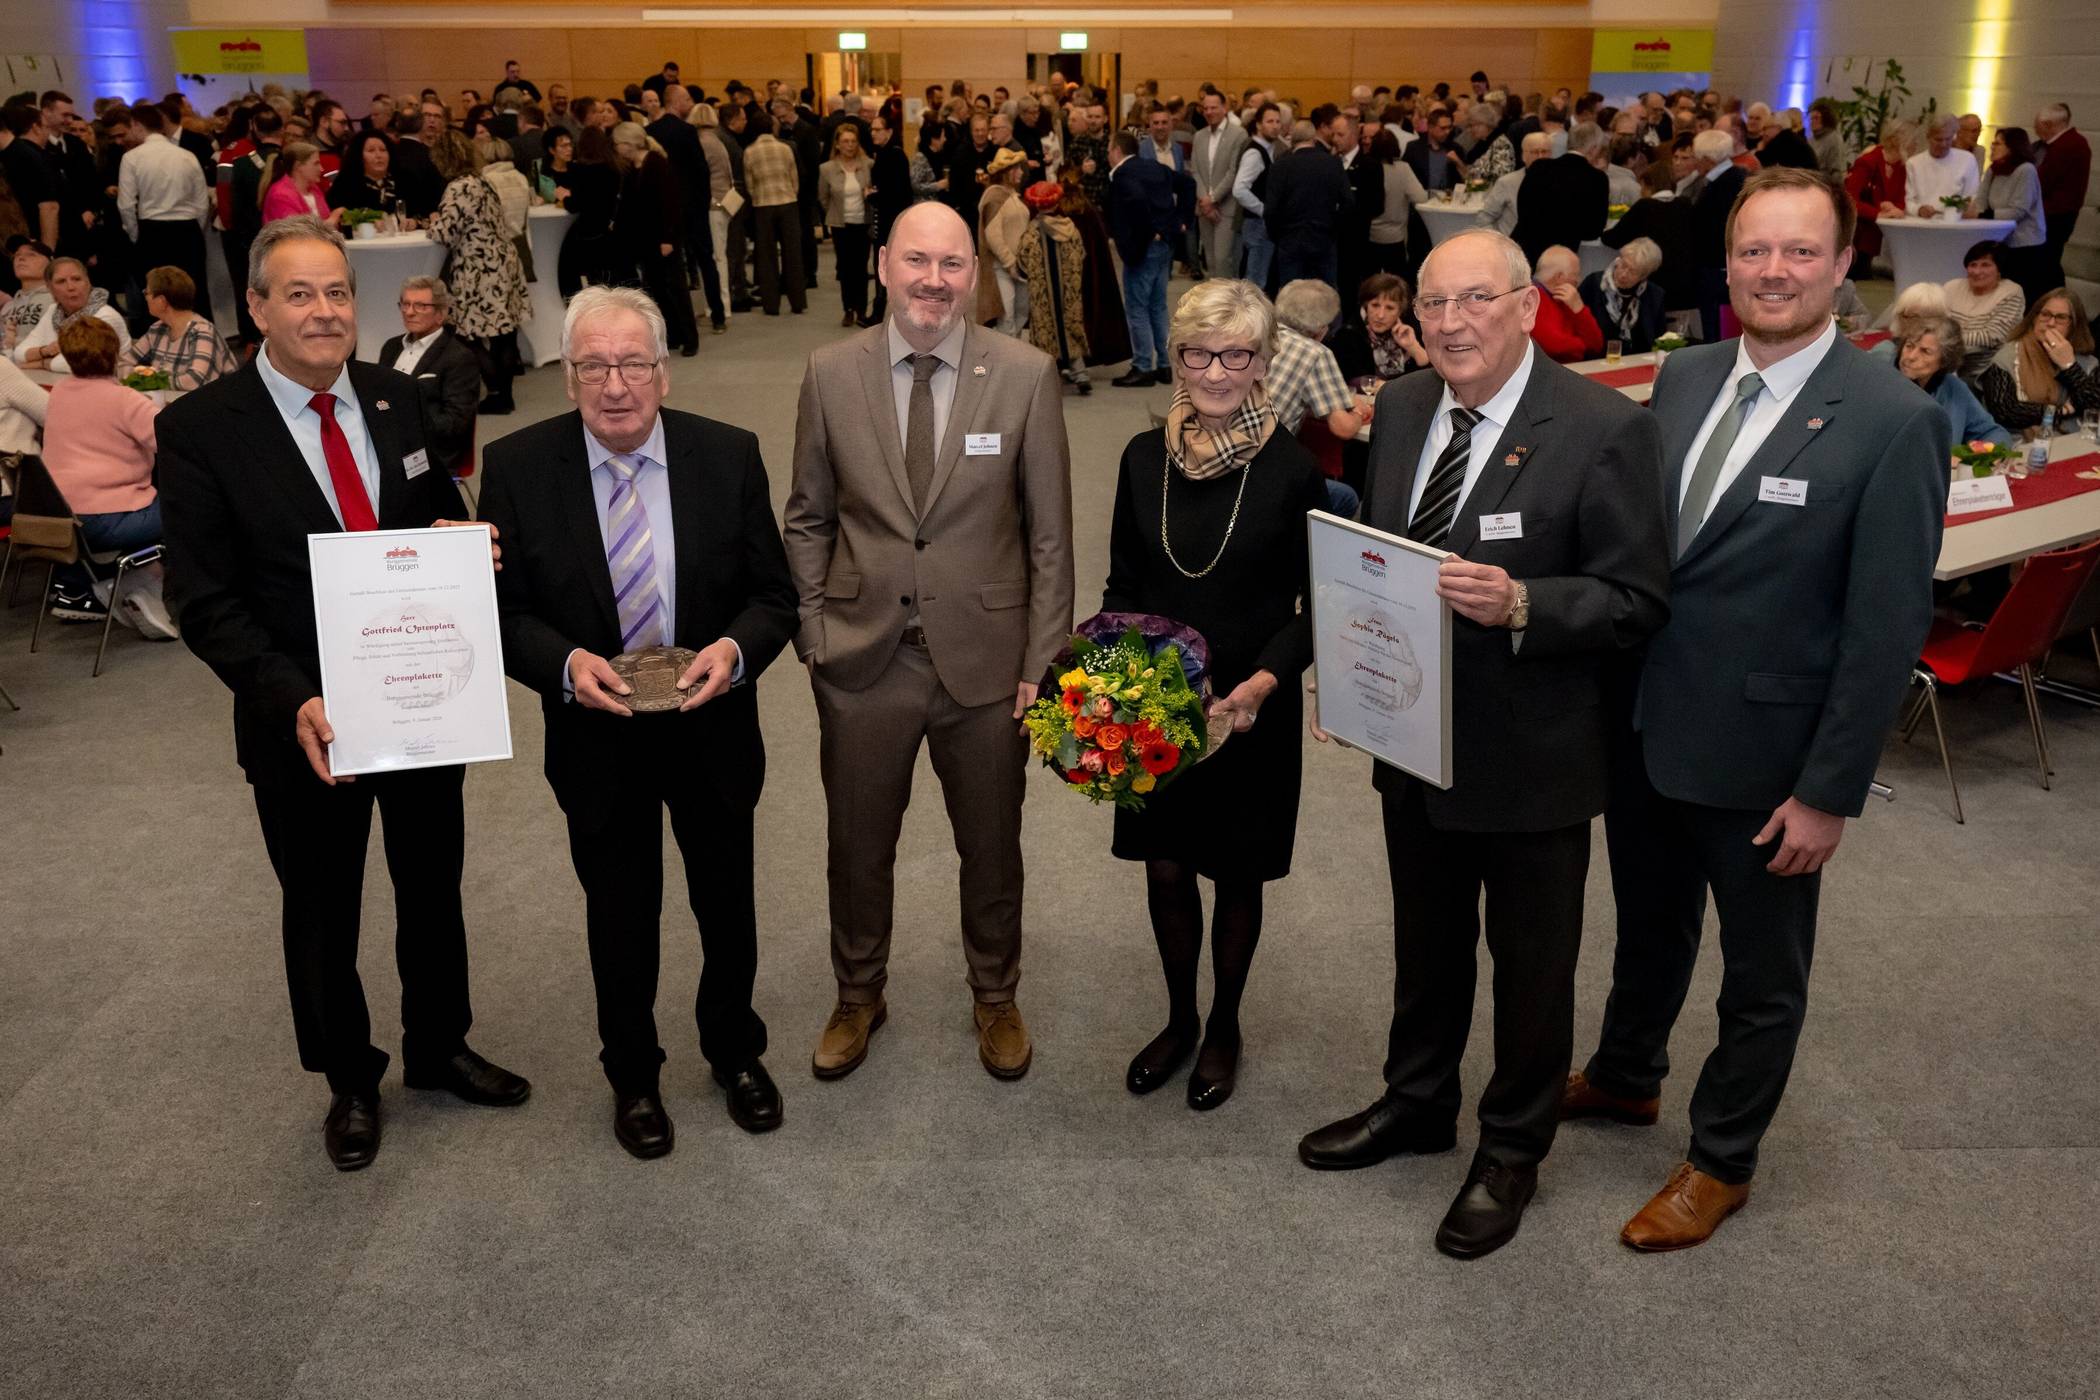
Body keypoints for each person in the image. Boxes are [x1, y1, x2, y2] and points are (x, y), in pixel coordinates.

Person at [1566, 168, 1948, 1252]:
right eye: (1753, 251)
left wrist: (1828, 791)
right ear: (1725, 263)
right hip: (1646, 727)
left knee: (1761, 974)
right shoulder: (1683, 375)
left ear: (1841, 264)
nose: (1773, 271)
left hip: (1770, 758)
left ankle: (1722, 1157)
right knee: (1648, 924)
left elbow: (1884, 630)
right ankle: (1629, 1072)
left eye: (1798, 252)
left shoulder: (1891, 419)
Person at [1297, 227, 1671, 1261]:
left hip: (1535, 753)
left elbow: (1638, 598)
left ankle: (1511, 1146)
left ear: (1525, 307)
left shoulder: (1601, 427)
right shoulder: (1409, 404)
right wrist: (1347, 660)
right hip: (1410, 736)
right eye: (1433, 305)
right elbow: (1376, 558)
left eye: (1474, 302)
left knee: (1531, 966)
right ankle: (1417, 1101)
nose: (1451, 324)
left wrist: (1521, 603)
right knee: (1426, 941)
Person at [157, 216, 530, 1172]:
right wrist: (291, 697)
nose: (324, 312)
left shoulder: (398, 400)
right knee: (322, 903)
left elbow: (434, 513)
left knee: (432, 881)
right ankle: (349, 1078)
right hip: (304, 719)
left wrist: (469, 541)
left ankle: (439, 1045)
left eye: (335, 293)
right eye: (300, 294)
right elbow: (205, 601)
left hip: (418, 702)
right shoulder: (201, 430)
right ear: (257, 308)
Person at [476, 286, 795, 1160]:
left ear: (662, 370)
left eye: (631, 365)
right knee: (620, 915)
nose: (614, 385)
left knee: (726, 905)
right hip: (596, 735)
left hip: (712, 726)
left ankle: (734, 1052)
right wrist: (562, 667)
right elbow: (499, 611)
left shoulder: (727, 456)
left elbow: (774, 596)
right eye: (592, 366)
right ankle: (634, 1074)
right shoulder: (515, 466)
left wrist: (735, 650)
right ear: (568, 373)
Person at [783, 201, 1074, 1083]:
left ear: (973, 276)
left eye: (953, 264)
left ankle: (995, 994)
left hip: (987, 667)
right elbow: (806, 517)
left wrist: (1042, 666)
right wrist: (814, 633)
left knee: (991, 843)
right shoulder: (830, 371)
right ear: (883, 265)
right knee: (856, 843)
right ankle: (857, 993)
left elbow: (1050, 538)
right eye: (917, 261)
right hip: (863, 659)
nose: (935, 281)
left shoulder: (1023, 374)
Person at [1098, 278, 1326, 1110]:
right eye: (1199, 352)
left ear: (1263, 363)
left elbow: (1314, 607)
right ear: (1177, 358)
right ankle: (1180, 1016)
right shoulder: (1139, 458)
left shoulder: (1293, 469)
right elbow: (1124, 581)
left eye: (1237, 355)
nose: (1217, 372)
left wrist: (1265, 682)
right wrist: (1108, 688)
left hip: (1247, 706)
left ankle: (1225, 1022)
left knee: (1235, 874)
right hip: (1156, 703)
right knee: (1164, 868)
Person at [37, 316, 176, 635]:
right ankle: (144, 585)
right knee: (192, 507)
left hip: (62, 516)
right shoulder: (124, 400)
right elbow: (171, 442)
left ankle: (126, 581)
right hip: (110, 519)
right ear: (115, 353)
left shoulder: (59, 391)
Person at [427, 128, 530, 411]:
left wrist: (432, 221)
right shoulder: (482, 181)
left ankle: (496, 392)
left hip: (479, 267)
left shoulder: (458, 187)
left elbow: (445, 233)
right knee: (503, 334)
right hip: (502, 260)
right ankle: (504, 396)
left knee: (465, 332)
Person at [114, 102, 212, 324]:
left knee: (157, 293)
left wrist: (135, 234)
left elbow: (126, 204)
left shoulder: (132, 157)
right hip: (188, 229)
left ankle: (162, 345)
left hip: (152, 230)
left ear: (137, 125)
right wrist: (197, 227)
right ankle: (203, 341)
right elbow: (201, 202)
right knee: (194, 291)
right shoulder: (187, 156)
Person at [378, 275, 480, 477]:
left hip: (429, 451)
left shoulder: (459, 357)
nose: (409, 312)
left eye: (420, 306)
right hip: (386, 441)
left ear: (441, 313)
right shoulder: (391, 347)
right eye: (405, 304)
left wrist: (402, 422)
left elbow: (456, 423)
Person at [611, 121, 697, 359]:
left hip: (663, 239)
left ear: (629, 144)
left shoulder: (657, 164)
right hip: (646, 240)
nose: (616, 148)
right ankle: (674, 334)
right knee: (657, 289)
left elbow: (670, 204)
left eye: (618, 144)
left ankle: (690, 337)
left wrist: (668, 238)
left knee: (676, 288)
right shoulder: (633, 168)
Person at [651, 87, 725, 335]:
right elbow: (701, 170)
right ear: (676, 101)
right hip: (692, 207)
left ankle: (674, 324)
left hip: (663, 209)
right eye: (687, 99)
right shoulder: (687, 131)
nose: (690, 103)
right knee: (706, 260)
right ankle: (718, 316)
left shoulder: (651, 132)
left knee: (671, 268)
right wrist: (702, 202)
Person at [1106, 133, 1178, 385]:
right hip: (1164, 246)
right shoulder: (1155, 167)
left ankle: (1143, 366)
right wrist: (1177, 223)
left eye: (1108, 149)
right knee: (1158, 306)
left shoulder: (1123, 176)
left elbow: (1136, 203)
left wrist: (1145, 234)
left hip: (1143, 249)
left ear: (1116, 150)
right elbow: (1187, 185)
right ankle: (1166, 365)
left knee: (1137, 308)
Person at [1975, 290, 2100, 435]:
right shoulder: (2007, 357)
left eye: (2061, 318)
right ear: (2034, 318)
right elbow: (2005, 412)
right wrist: (2059, 411)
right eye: (2045, 315)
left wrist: (2069, 366)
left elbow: (2095, 408)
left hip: (2075, 442)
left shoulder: (2089, 363)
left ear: (2073, 325)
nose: (2051, 323)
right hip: (2020, 443)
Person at [1015, 179, 1089, 392]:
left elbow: (1022, 260)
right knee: (1071, 324)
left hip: (1043, 294)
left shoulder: (1032, 232)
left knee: (1045, 329)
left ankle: (1049, 377)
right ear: (1057, 203)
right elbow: (1080, 255)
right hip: (1069, 292)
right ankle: (1080, 372)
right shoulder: (1070, 229)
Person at [1897, 314, 2013, 447]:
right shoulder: (1883, 381)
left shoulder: (1954, 388)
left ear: (1945, 360)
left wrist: (1975, 454)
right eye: (1909, 346)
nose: (1911, 356)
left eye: (1925, 351)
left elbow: (1995, 433)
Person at [1265, 119, 1350, 292]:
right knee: (1326, 296)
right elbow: (1348, 203)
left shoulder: (1280, 166)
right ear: (1314, 138)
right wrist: (1333, 229)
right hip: (1324, 239)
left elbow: (1270, 210)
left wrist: (1279, 236)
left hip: (1290, 240)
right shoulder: (1333, 163)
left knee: (1291, 297)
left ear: (1292, 139)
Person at [119, 265, 237, 390]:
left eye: (147, 292)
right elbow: (122, 363)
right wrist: (145, 378)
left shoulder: (202, 332)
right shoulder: (157, 329)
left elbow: (195, 381)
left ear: (161, 301)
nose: (146, 297)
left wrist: (150, 380)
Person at [1513, 121, 1608, 268]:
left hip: (1525, 252)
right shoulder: (1597, 178)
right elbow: (1593, 230)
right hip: (1561, 259)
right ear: (1594, 148)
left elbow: (1522, 210)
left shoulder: (1539, 167)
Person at [1972, 127, 2050, 304]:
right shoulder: (1994, 170)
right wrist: (1976, 211)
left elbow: (2018, 210)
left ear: (2012, 147)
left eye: (1997, 143)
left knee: (2021, 292)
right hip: (2001, 240)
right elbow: (1981, 200)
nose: (1992, 147)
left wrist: (1984, 215)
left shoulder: (2026, 170)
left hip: (2025, 243)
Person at [11, 256, 126, 372]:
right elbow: (20, 353)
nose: (71, 287)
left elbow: (84, 363)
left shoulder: (106, 315)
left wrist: (42, 362)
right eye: (61, 281)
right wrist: (46, 350)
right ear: (50, 288)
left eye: (76, 279)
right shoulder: (53, 311)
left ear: (88, 282)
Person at [1688, 129, 1749, 342]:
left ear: (1707, 159)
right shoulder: (1740, 178)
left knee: (1717, 329)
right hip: (1727, 265)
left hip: (1716, 269)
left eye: (1696, 157)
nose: (1695, 163)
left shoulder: (1722, 185)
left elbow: (1711, 228)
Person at [744, 113, 807, 317]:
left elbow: (749, 184)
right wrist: (789, 193)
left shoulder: (749, 152)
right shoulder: (785, 148)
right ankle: (797, 301)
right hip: (787, 202)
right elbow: (794, 178)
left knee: (766, 256)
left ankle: (771, 304)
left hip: (763, 205)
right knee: (793, 253)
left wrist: (759, 197)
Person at [818, 123, 877, 328]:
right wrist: (834, 214)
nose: (849, 145)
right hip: (840, 225)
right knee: (845, 268)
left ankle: (861, 309)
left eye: (853, 141)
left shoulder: (868, 164)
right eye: (845, 141)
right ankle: (848, 309)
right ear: (837, 144)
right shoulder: (826, 169)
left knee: (861, 268)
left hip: (863, 223)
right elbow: (823, 198)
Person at [550, 127, 620, 297]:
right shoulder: (613, 168)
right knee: (608, 281)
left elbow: (576, 204)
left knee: (578, 273)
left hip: (586, 233)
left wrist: (564, 197)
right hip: (606, 231)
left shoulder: (581, 170)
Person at [1942, 242, 2026, 381]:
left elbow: (1992, 336)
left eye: (1985, 265)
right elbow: (1937, 323)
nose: (1977, 271)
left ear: (1999, 269)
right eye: (1972, 264)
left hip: (1982, 374)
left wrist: (1945, 341)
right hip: (1945, 362)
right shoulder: (1952, 287)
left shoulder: (2011, 292)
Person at [1329, 271, 1429, 386]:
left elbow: (1430, 378)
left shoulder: (1409, 330)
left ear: (1400, 311)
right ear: (1366, 305)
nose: (1380, 315)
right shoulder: (1348, 335)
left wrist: (1413, 347)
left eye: (1390, 308)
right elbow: (1350, 380)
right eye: (1375, 305)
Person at [1190, 91, 1248, 281]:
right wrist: (1205, 201)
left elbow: (1234, 171)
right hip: (1204, 209)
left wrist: (1213, 199)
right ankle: (1214, 307)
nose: (1209, 112)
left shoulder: (1238, 134)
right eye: (1205, 108)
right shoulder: (1199, 136)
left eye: (1213, 107)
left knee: (1224, 261)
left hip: (1226, 208)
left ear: (1225, 108)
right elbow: (1195, 171)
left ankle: (1228, 307)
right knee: (1211, 261)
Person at [2032, 104, 2091, 292]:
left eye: (2037, 126)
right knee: (2049, 261)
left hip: (2054, 215)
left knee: (2046, 263)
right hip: (2062, 213)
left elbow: (2043, 181)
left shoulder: (2065, 146)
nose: (2036, 131)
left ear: (2048, 124)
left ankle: (2054, 299)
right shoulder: (2076, 142)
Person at [973, 147, 1030, 336]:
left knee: (1022, 312)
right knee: (1006, 316)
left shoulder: (1012, 195)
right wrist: (1009, 262)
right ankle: (1007, 361)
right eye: (1017, 168)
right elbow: (993, 235)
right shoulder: (994, 196)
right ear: (1006, 172)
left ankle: (1012, 355)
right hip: (1002, 268)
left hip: (1020, 266)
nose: (1021, 172)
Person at [866, 111, 913, 324]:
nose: (873, 133)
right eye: (872, 129)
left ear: (889, 132)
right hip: (886, 219)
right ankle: (880, 311)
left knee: (888, 267)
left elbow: (897, 192)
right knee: (882, 266)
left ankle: (883, 312)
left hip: (891, 221)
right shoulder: (883, 154)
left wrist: (873, 195)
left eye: (877, 129)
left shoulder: (893, 155)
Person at [1363, 126, 1431, 275]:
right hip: (1396, 237)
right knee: (1397, 283)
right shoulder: (1403, 169)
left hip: (1370, 236)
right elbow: (1420, 197)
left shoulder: (1366, 168)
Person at [1581, 237, 1668, 353]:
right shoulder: (1594, 284)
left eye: (1633, 271)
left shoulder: (1654, 295)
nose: (1623, 274)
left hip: (1637, 361)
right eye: (1623, 265)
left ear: (1644, 276)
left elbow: (1659, 340)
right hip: (1595, 360)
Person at [1844, 120, 1911, 265]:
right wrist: (1877, 213)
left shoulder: (1901, 167)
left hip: (1874, 236)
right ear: (1895, 140)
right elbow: (1849, 199)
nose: (1914, 145)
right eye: (1911, 141)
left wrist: (1895, 208)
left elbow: (1901, 198)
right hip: (1857, 234)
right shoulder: (1868, 162)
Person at [1233, 104, 1283, 292]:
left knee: (1259, 279)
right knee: (1255, 282)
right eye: (1270, 121)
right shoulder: (1254, 153)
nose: (1275, 126)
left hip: (1261, 225)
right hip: (1257, 225)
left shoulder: (1269, 149)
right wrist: (1264, 210)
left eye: (1278, 121)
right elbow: (1239, 189)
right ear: (1259, 125)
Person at [1528, 244, 1605, 362]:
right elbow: (1555, 346)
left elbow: (1596, 344)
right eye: (1575, 275)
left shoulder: (1566, 298)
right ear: (1559, 277)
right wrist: (1583, 345)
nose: (1578, 280)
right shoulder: (1532, 298)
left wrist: (1579, 309)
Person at [1906, 114, 1980, 218]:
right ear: (1928, 137)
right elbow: (1908, 200)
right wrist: (1919, 210)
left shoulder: (1967, 160)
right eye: (1938, 140)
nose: (1944, 144)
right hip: (1923, 223)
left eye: (1948, 139)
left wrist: (1963, 208)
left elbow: (1972, 196)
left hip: (1956, 224)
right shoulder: (1913, 163)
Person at [330, 130, 402, 222]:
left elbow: (419, 213)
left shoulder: (403, 180)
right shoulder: (346, 184)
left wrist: (414, 221)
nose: (378, 155)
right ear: (359, 156)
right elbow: (341, 215)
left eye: (383, 150)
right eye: (371, 150)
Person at [261, 142, 336, 226]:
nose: (321, 169)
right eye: (316, 163)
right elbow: (297, 233)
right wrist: (334, 217)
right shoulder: (280, 195)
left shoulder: (314, 189)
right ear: (299, 166)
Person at [2, 238, 54, 354]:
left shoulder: (58, 300)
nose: (21, 258)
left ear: (51, 262)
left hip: (44, 367)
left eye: (32, 254)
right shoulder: (7, 307)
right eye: (17, 255)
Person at [1807, 100, 1847, 180]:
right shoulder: (1811, 140)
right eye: (1811, 119)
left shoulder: (1834, 138)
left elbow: (1836, 169)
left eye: (1816, 118)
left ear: (1826, 119)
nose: (1813, 122)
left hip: (1826, 184)